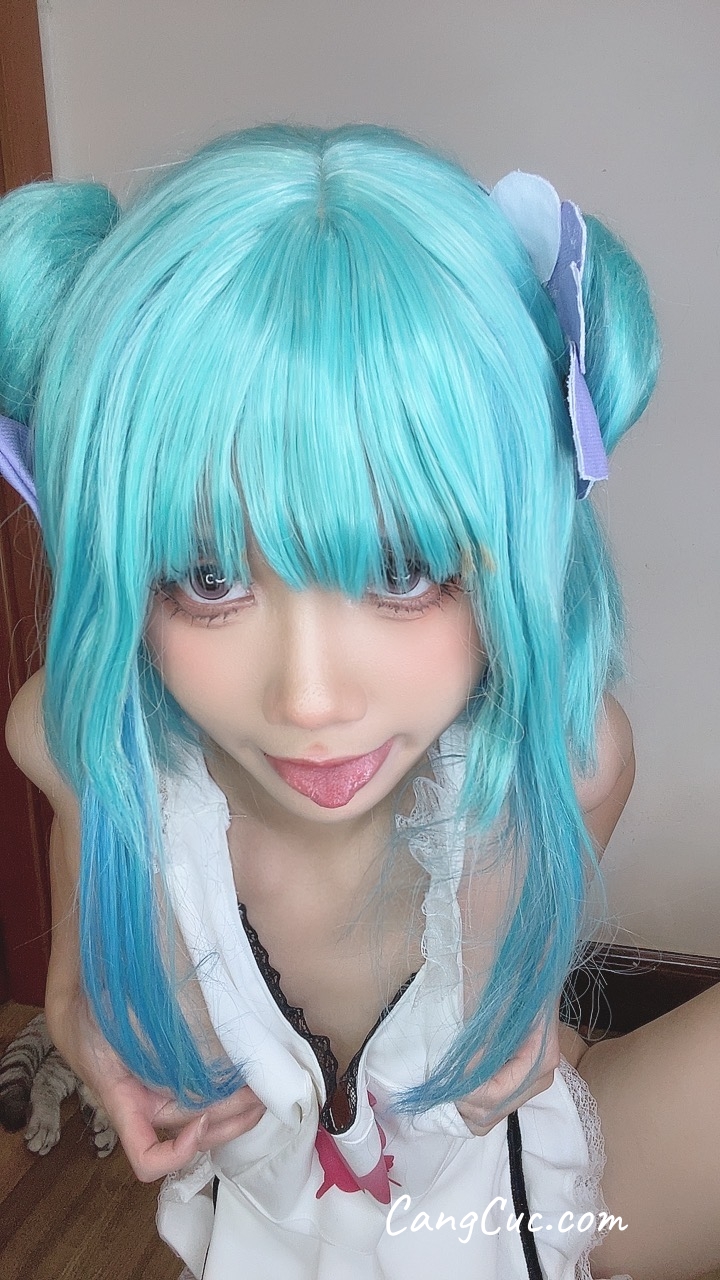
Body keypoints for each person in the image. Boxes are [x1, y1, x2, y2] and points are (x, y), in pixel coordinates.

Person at [1, 125, 718, 1280]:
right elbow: (81, 978)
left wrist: (525, 1023)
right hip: (267, 1231)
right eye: (207, 576)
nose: (311, 696)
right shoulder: (87, 748)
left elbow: (525, 959)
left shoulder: (575, 755)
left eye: (400, 569)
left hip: (506, 1199)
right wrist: (88, 1032)